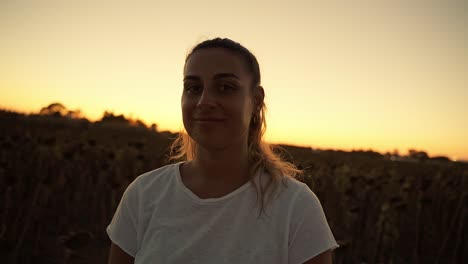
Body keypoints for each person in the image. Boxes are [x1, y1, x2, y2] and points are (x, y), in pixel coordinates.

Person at [106, 38, 338, 264]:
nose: (204, 101)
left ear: (256, 100)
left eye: (226, 87)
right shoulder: (144, 194)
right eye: (193, 87)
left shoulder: (296, 207)